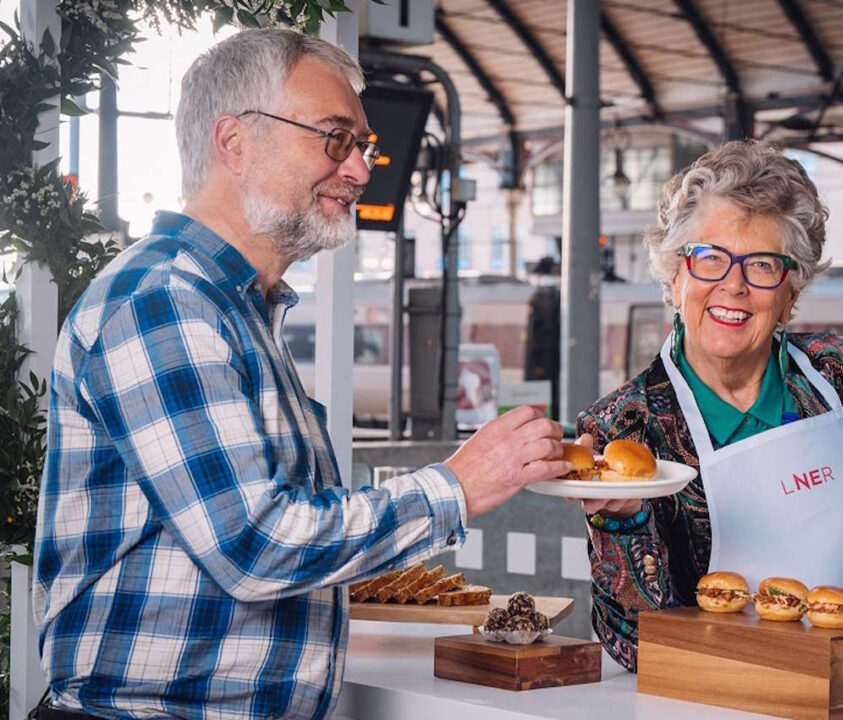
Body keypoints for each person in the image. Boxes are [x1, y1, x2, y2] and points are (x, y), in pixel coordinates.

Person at [34, 29, 568, 720]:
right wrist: (456, 487)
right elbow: (255, 546)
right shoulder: (164, 300)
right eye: (335, 138)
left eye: (362, 146)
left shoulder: (238, 311)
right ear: (234, 143)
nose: (359, 170)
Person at [576, 141, 843, 695]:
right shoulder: (627, 428)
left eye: (762, 264)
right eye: (709, 257)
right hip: (733, 703)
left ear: (790, 293)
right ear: (675, 277)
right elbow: (637, 646)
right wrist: (620, 526)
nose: (733, 285)